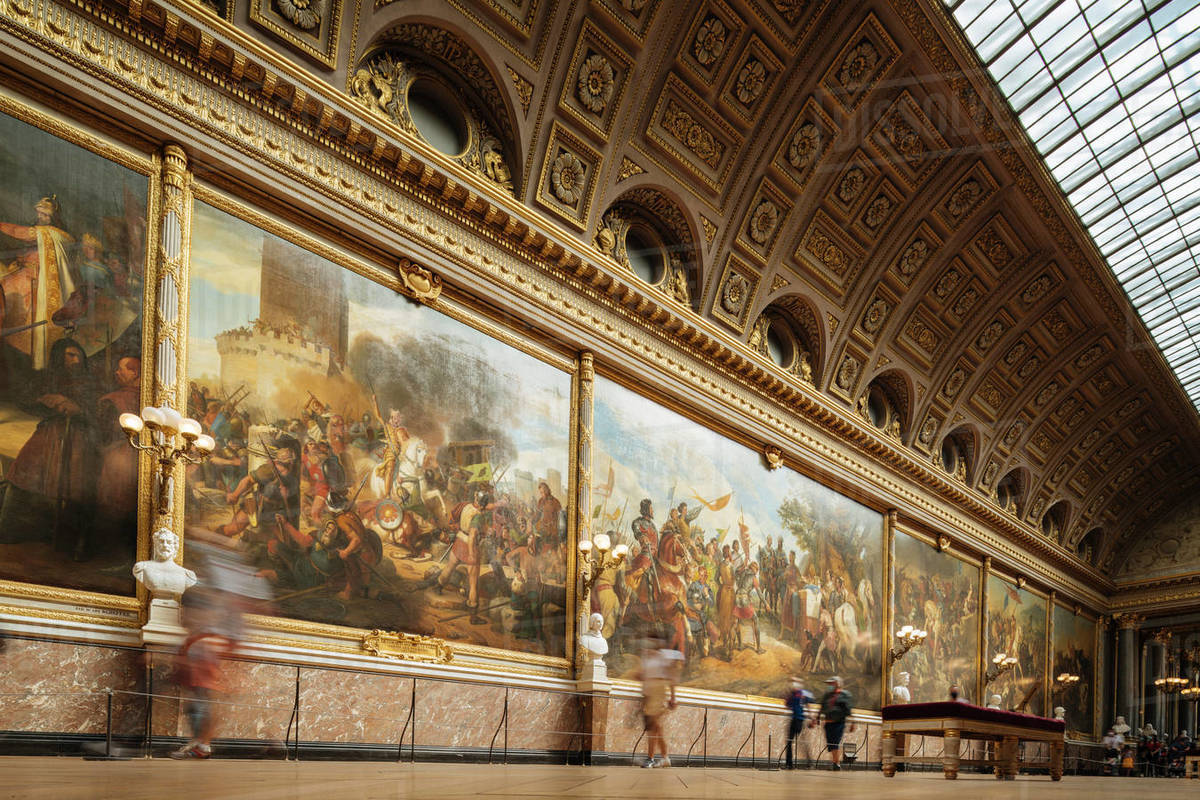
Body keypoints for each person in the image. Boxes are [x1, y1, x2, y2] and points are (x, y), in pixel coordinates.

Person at [636, 630, 682, 769]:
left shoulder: (664, 656)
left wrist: (673, 697)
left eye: (653, 640)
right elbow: (643, 676)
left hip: (659, 692)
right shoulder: (646, 656)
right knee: (656, 728)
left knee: (652, 726)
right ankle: (665, 757)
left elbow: (671, 677)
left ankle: (650, 758)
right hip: (648, 693)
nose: (650, 642)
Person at [811, 675, 854, 770]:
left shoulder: (845, 694)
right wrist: (816, 718)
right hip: (828, 723)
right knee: (830, 744)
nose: (830, 685)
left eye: (831, 683)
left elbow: (848, 709)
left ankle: (836, 763)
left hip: (839, 723)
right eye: (829, 684)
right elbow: (822, 707)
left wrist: (853, 723)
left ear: (838, 684)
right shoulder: (827, 695)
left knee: (835, 743)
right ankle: (835, 762)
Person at [784, 676, 813, 769]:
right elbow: (787, 704)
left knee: (801, 742)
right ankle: (790, 763)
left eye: (795, 682)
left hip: (799, 720)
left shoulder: (802, 693)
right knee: (790, 742)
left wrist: (811, 717)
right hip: (795, 719)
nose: (793, 684)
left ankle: (808, 762)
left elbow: (808, 705)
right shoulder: (792, 694)